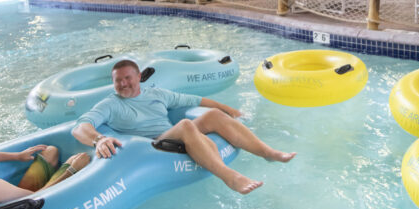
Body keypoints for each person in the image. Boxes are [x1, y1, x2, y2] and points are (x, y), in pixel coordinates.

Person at [72, 59, 295, 195]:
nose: (123, 84)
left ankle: (267, 152)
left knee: (214, 115)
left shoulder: (157, 93)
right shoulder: (111, 104)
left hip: (174, 134)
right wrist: (98, 139)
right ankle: (230, 177)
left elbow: (196, 100)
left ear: (139, 77)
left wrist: (231, 110)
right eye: (117, 80)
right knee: (187, 125)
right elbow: (80, 127)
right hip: (151, 146)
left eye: (127, 78)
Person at [0, 126, 89, 209]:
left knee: (51, 152)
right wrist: (71, 170)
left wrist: (17, 156)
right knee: (80, 160)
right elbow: (38, 199)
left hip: (9, 197)